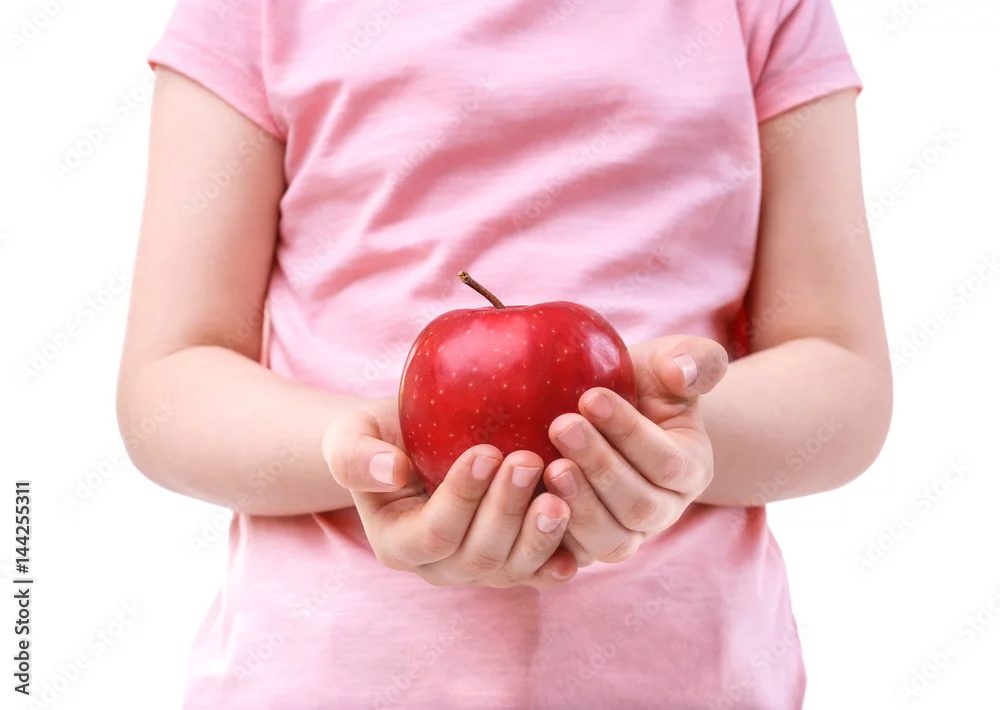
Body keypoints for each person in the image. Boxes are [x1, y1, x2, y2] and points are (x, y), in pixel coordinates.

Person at [116, 0, 892, 707]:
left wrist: (659, 445)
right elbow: (172, 380)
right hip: (321, 681)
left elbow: (840, 372)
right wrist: (373, 452)